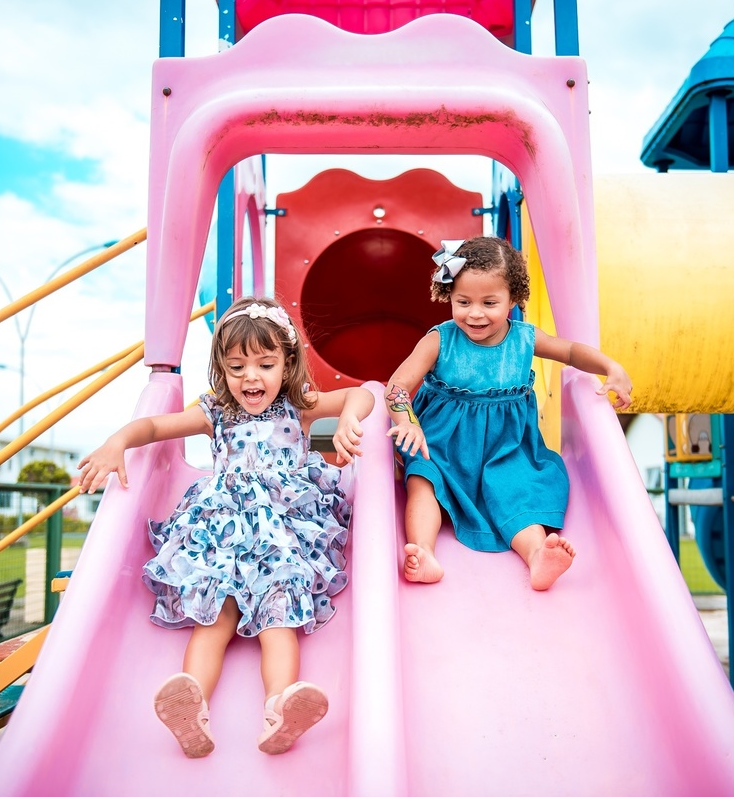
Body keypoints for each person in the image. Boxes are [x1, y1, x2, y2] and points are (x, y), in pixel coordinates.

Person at [78, 296, 374, 758]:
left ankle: (281, 705)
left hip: (281, 539)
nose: (250, 377)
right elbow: (155, 425)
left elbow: (363, 393)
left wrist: (351, 417)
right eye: (236, 367)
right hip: (225, 538)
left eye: (265, 363)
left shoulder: (299, 406)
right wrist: (117, 441)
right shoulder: (215, 413)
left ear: (288, 362)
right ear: (221, 367)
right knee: (214, 616)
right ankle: (190, 702)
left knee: (280, 616)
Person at [385, 236, 633, 590]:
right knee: (422, 481)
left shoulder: (525, 340)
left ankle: (537, 557)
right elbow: (397, 385)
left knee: (519, 491)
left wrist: (611, 366)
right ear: (449, 297)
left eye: (489, 302)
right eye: (463, 301)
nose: (475, 313)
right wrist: (408, 423)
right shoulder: (440, 340)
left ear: (513, 299)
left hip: (507, 448)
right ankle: (423, 552)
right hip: (440, 444)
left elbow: (571, 351)